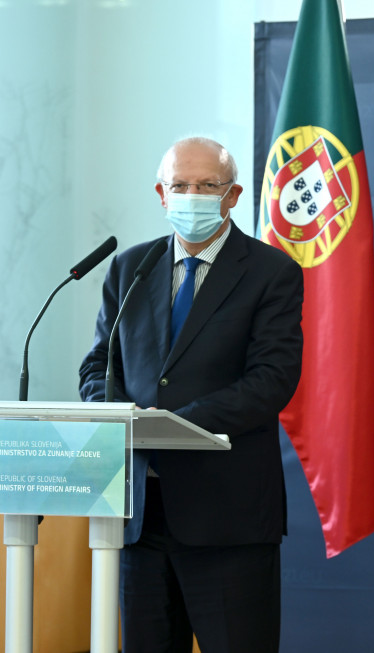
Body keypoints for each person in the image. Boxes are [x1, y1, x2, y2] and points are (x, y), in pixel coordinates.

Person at [79, 136, 304, 652]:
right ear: (161, 193)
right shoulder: (129, 267)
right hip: (138, 513)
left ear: (232, 196)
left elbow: (271, 380)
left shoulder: (272, 273)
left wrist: (175, 424)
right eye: (180, 185)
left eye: (207, 186)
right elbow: (98, 367)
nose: (191, 195)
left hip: (227, 519)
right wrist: (116, 414)